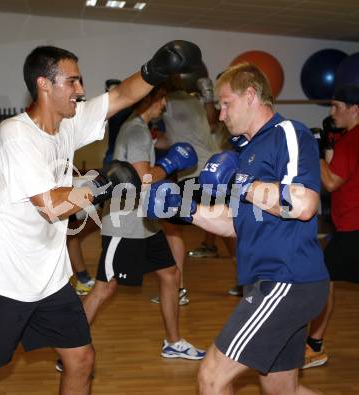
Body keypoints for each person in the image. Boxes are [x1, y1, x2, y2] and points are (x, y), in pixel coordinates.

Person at [0, 40, 203, 395]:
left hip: (48, 278)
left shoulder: (67, 125)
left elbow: (123, 95)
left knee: (81, 359)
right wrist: (106, 182)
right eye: (73, 81)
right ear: (44, 84)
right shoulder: (16, 135)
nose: (81, 89)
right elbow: (52, 207)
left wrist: (156, 69)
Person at [146, 62, 329, 394]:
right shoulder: (245, 153)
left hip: (286, 280)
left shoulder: (287, 134)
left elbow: (304, 205)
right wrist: (183, 209)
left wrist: (239, 183)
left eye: (226, 103)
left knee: (212, 378)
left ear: (251, 95)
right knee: (280, 390)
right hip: (270, 280)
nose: (220, 115)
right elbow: (234, 222)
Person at [56, 86, 205, 372]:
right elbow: (142, 176)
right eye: (162, 98)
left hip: (145, 222)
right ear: (150, 100)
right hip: (125, 225)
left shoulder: (140, 129)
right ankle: (69, 351)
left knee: (171, 274)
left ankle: (173, 342)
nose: (165, 104)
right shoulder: (135, 131)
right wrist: (173, 162)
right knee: (104, 288)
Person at [149, 74, 221, 306]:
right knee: (228, 224)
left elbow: (161, 132)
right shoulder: (194, 101)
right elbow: (176, 139)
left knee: (172, 229)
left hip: (194, 172)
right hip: (217, 167)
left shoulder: (166, 103)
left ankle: (177, 289)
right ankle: (246, 282)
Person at [303, 84, 359, 369]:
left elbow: (330, 182)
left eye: (337, 106)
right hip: (350, 227)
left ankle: (315, 346)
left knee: (322, 280)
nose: (332, 112)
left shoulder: (352, 140)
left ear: (355, 109)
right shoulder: (349, 140)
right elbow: (338, 169)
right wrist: (326, 144)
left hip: (353, 228)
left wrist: (313, 147)